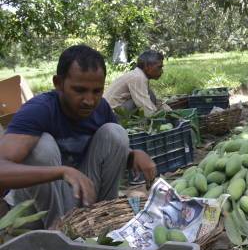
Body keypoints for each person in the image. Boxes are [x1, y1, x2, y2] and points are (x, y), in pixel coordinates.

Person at [0, 45, 157, 228]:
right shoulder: (39, 110)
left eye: (96, 91)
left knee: (115, 133)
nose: (89, 100)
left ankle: (103, 221)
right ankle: (60, 232)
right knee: (42, 146)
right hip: (37, 210)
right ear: (58, 84)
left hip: (79, 194)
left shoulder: (101, 108)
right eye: (79, 90)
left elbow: (110, 155)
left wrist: (133, 156)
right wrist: (62, 172)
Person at [104, 50, 172, 116]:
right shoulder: (138, 77)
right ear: (147, 66)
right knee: (141, 103)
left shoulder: (139, 75)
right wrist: (159, 117)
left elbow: (153, 100)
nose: (162, 71)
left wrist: (168, 110)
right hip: (111, 116)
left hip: (111, 111)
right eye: (159, 67)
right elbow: (145, 107)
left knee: (150, 95)